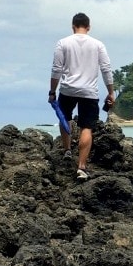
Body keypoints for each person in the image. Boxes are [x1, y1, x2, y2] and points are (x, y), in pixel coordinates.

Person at [49, 12, 115, 180]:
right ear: (89, 27)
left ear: (73, 27)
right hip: (89, 92)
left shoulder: (63, 43)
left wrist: (52, 91)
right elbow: (106, 69)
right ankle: (82, 167)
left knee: (65, 118)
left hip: (67, 89)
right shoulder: (98, 45)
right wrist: (111, 91)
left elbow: (56, 69)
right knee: (87, 127)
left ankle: (67, 150)